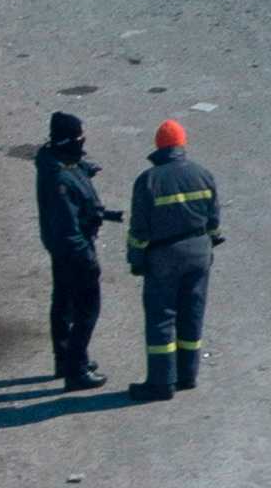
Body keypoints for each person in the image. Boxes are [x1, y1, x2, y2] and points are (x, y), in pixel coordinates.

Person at [125, 118, 223, 401]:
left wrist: (137, 259)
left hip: (164, 257)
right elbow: (214, 222)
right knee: (192, 312)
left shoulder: (149, 181)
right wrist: (209, 242)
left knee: (161, 318)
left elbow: (140, 229)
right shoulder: (203, 174)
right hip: (199, 253)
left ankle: (160, 382)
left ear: (159, 146)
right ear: (182, 145)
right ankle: (187, 375)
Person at [33, 112, 117, 389]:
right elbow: (69, 230)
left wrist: (85, 170)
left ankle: (65, 358)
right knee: (86, 309)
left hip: (61, 248)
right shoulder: (60, 180)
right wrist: (87, 259)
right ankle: (76, 369)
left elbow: (73, 166)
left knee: (63, 303)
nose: (83, 144)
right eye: (80, 138)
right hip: (74, 251)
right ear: (70, 141)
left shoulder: (56, 161)